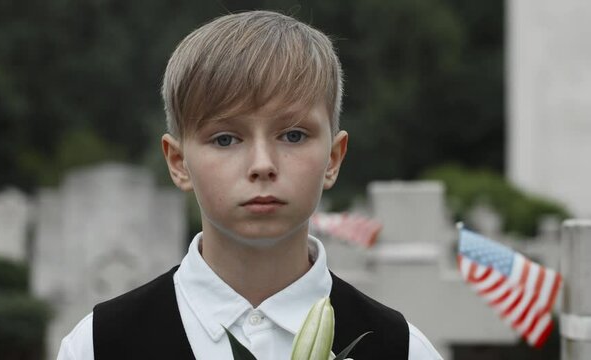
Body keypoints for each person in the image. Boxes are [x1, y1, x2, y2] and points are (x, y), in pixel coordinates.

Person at [57, 10, 442, 360]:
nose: (262, 165)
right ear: (179, 163)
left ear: (334, 157)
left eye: (292, 135)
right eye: (225, 139)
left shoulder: (404, 351)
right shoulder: (97, 346)